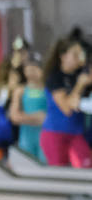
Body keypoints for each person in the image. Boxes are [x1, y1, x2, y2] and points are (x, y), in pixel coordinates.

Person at [41, 38, 92, 168]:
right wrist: (80, 85)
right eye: (74, 54)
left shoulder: (82, 75)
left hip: (76, 133)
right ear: (63, 56)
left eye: (80, 55)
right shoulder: (55, 77)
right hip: (55, 133)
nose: (78, 59)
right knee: (59, 171)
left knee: (87, 164)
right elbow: (66, 108)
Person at [10, 59, 48, 163]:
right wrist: (38, 118)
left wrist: (25, 117)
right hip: (26, 138)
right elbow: (14, 117)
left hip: (44, 138)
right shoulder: (20, 90)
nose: (32, 71)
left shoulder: (48, 91)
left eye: (36, 67)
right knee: (26, 165)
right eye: (29, 67)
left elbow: (50, 117)